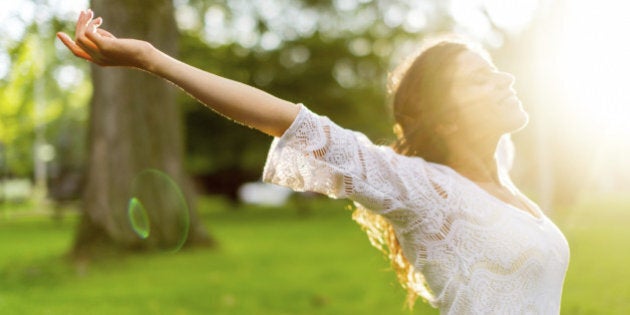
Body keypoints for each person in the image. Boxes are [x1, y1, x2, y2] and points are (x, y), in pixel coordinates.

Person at [58, 9, 570, 314]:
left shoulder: (499, 167)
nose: (506, 81)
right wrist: (151, 59)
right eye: (481, 79)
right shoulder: (424, 190)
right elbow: (291, 122)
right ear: (447, 118)